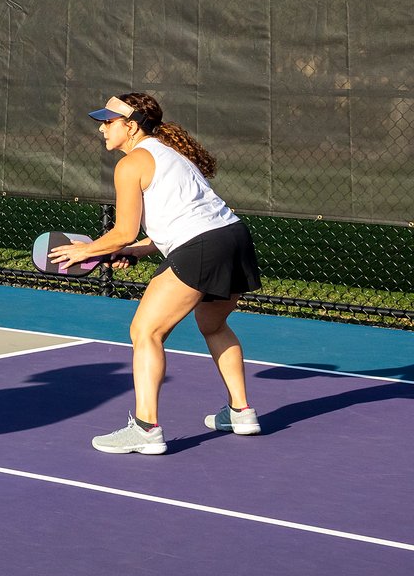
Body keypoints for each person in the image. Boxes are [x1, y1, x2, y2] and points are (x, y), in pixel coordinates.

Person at [51, 93, 264, 454]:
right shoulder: (172, 155)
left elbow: (122, 232)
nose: (102, 128)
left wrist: (84, 250)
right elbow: (178, 220)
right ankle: (241, 412)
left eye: (109, 121)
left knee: (145, 331)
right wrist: (135, 251)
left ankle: (146, 428)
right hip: (234, 240)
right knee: (213, 325)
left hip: (203, 246)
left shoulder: (131, 164)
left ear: (130, 126)